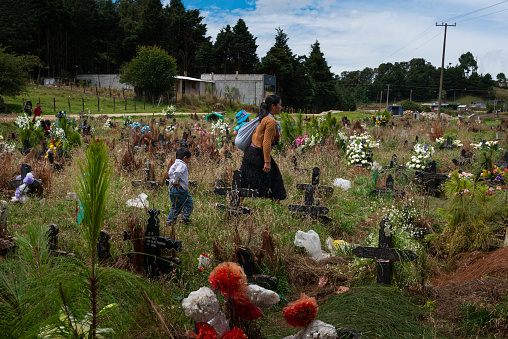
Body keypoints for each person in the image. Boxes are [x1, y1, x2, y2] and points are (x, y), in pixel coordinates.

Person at [239, 94, 286, 201]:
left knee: (246, 180)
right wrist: (267, 161)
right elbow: (266, 142)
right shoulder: (270, 121)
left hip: (250, 154)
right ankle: (277, 207)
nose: (281, 107)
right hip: (258, 154)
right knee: (275, 179)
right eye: (280, 105)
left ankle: (238, 204)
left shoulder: (264, 118)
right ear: (273, 106)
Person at [166, 147, 193, 225]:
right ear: (185, 158)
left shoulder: (174, 164)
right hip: (180, 190)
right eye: (189, 159)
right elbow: (177, 173)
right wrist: (175, 181)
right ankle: (184, 218)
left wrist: (173, 181)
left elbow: (170, 172)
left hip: (173, 190)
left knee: (176, 206)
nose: (188, 161)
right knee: (188, 203)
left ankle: (170, 221)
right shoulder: (182, 165)